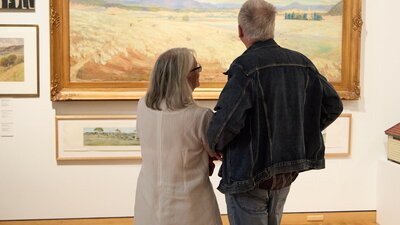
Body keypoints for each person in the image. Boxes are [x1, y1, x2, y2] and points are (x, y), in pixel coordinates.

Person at [207, 1, 343, 225]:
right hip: (286, 172)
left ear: (241, 30)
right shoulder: (302, 62)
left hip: (248, 173)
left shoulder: (244, 66)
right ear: (271, 28)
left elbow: (225, 122)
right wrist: (300, 128)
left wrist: (213, 146)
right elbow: (333, 105)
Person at [134, 48, 222, 225]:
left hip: (149, 197)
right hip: (190, 205)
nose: (199, 73)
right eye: (196, 69)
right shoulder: (200, 116)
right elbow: (215, 151)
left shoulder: (143, 106)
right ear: (182, 77)